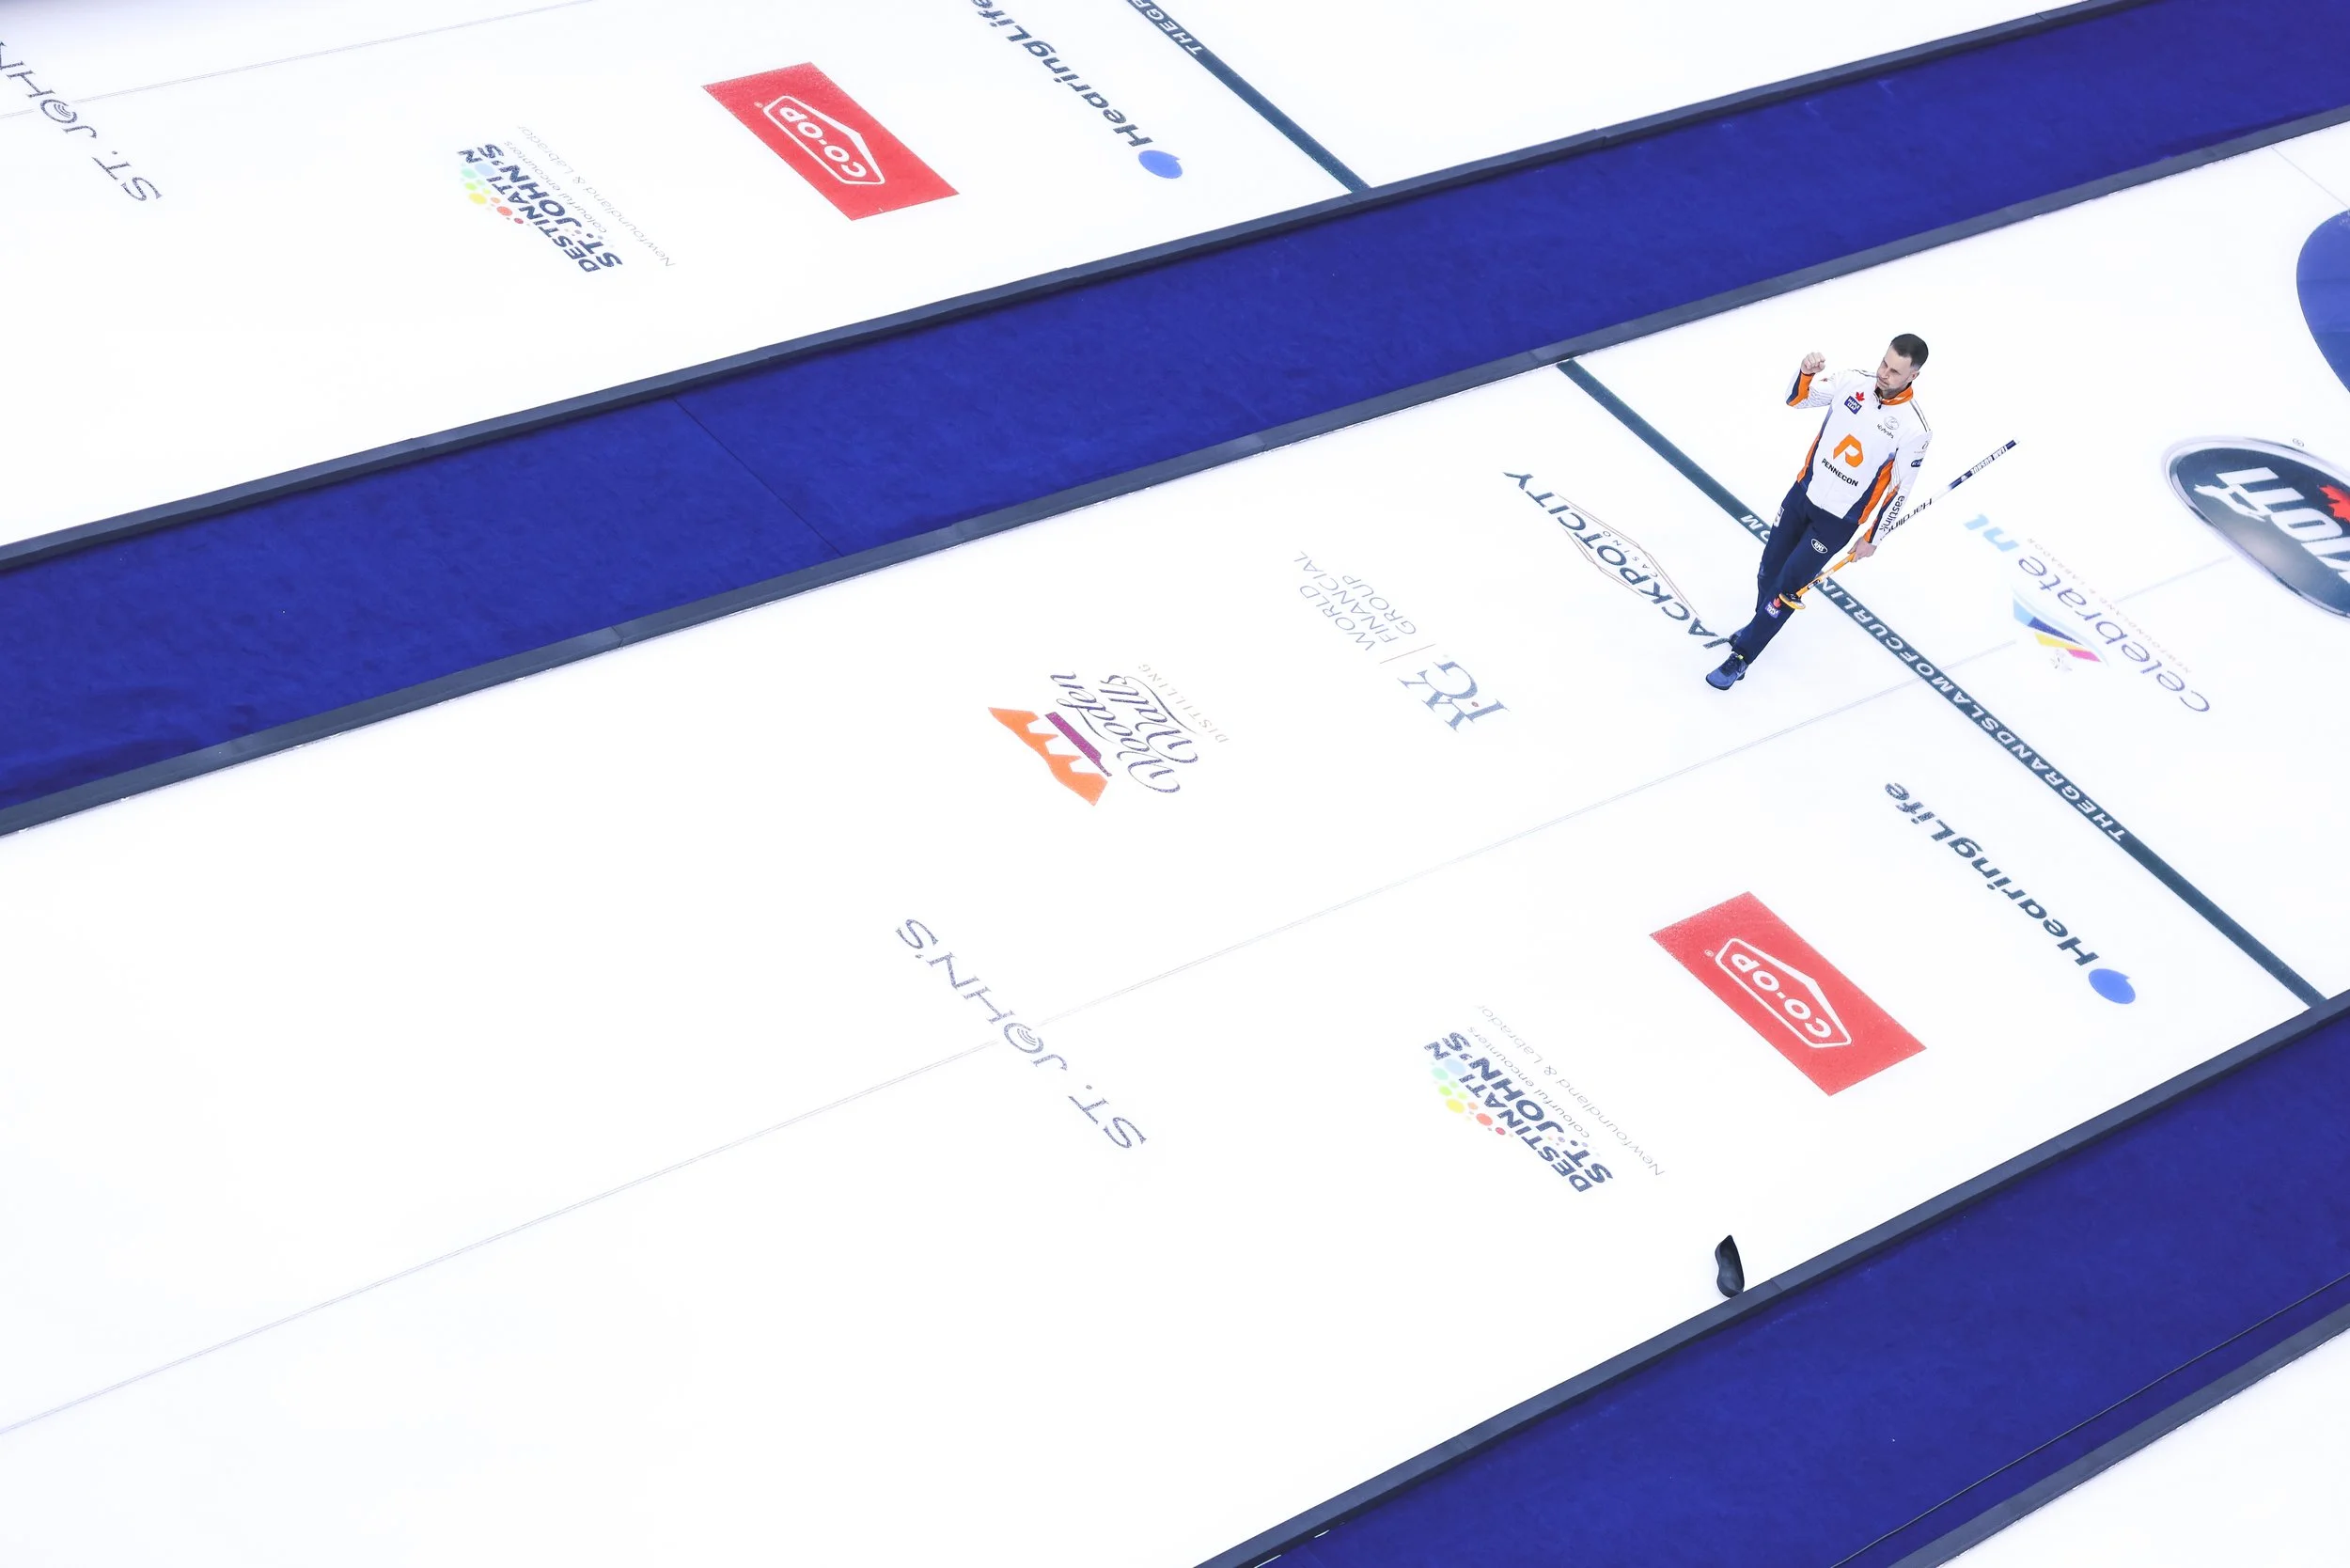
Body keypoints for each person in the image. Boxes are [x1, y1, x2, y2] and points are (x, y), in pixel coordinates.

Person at [1707, 335, 1934, 689]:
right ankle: (1758, 627)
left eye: (1895, 372)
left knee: (1786, 589)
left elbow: (1900, 490)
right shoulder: (1852, 382)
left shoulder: (1914, 429)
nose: (1884, 374)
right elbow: (1796, 399)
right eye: (1884, 363)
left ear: (1913, 376)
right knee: (1768, 572)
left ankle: (1743, 655)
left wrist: (1873, 537)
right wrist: (1805, 373)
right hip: (1802, 494)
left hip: (1837, 522)